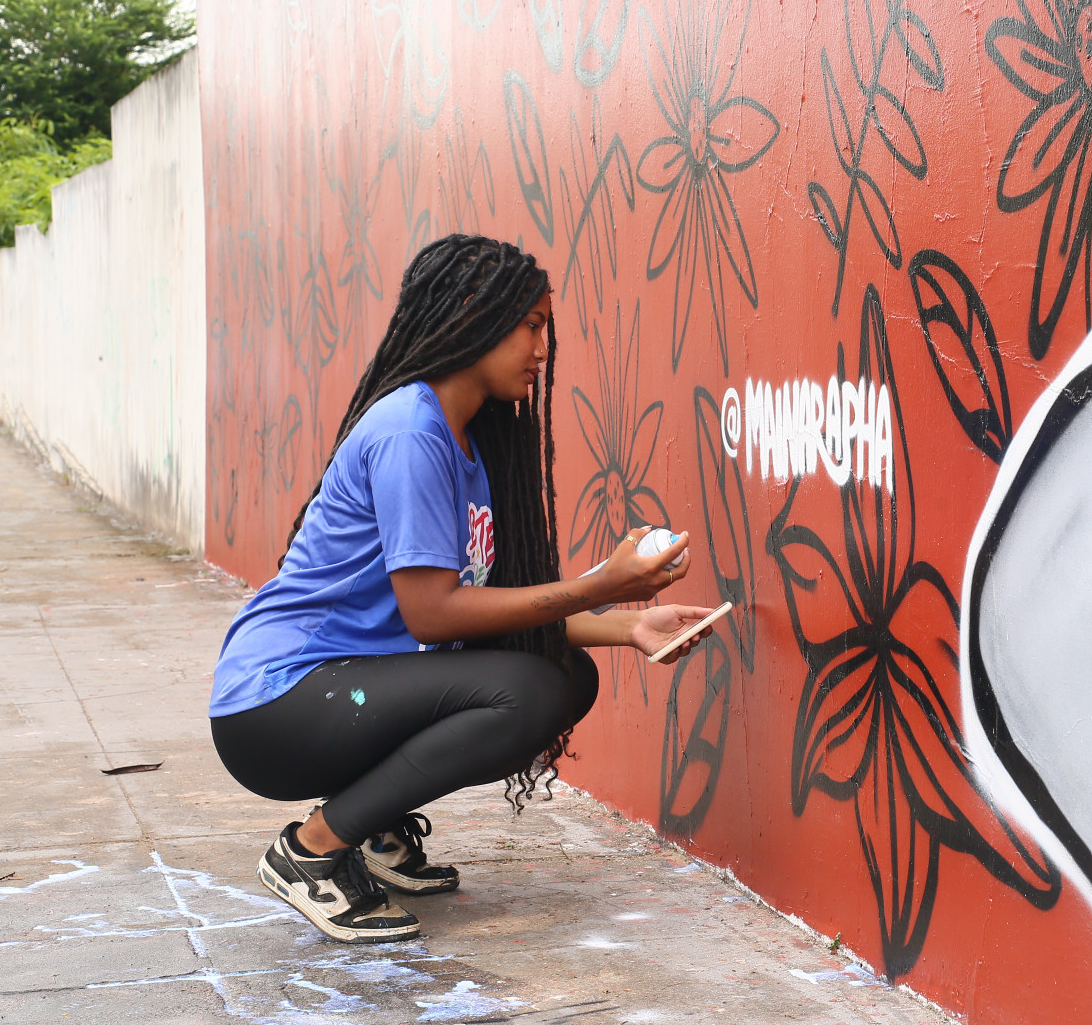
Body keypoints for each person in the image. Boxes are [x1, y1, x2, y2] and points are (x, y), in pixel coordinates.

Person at [208, 235, 713, 943]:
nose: (543, 349)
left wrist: (628, 626)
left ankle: (375, 829)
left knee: (565, 675)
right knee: (528, 690)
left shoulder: (467, 442)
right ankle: (312, 851)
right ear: (473, 313)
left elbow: (485, 611)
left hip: (344, 688)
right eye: (531, 326)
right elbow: (434, 615)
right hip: (277, 702)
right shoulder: (412, 434)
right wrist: (600, 582)